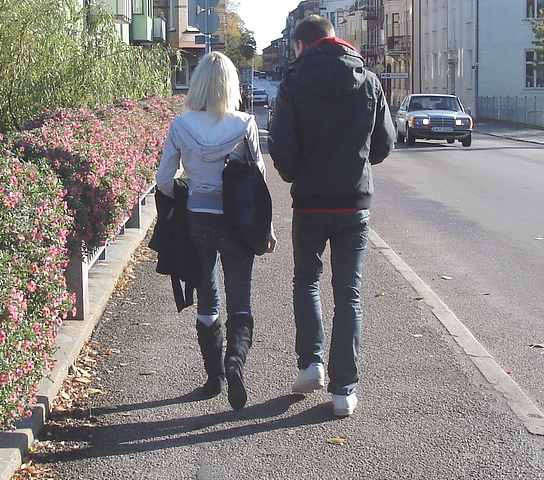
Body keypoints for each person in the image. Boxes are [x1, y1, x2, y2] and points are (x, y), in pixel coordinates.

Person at [268, 15, 395, 417]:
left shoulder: (292, 84)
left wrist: (297, 174)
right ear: (335, 39)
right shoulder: (370, 81)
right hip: (353, 204)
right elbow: (383, 145)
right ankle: (344, 390)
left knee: (306, 281)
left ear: (302, 45)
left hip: (309, 203)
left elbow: (281, 146)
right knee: (349, 294)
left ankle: (311, 364)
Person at [156, 51, 277, 411]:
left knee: (208, 298)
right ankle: (235, 363)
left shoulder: (180, 125)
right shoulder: (245, 124)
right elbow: (258, 180)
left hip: (196, 220)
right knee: (241, 301)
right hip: (237, 224)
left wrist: (188, 188)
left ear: (198, 84)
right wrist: (267, 226)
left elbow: (163, 180)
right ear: (231, 85)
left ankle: (214, 378)